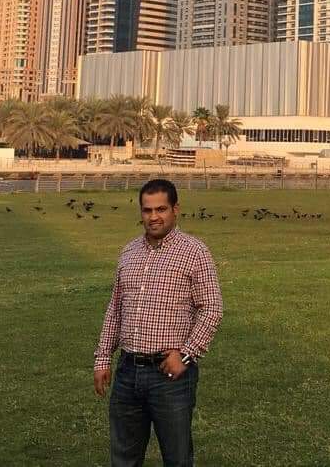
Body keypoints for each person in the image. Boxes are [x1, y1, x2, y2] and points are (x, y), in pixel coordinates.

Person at [94, 178, 223, 467]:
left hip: (170, 376)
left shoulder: (194, 252)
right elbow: (116, 309)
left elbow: (212, 308)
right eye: (147, 210)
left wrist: (186, 355)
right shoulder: (129, 252)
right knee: (124, 458)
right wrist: (102, 358)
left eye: (161, 209)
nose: (154, 217)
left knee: (177, 458)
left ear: (175, 209)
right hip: (127, 372)